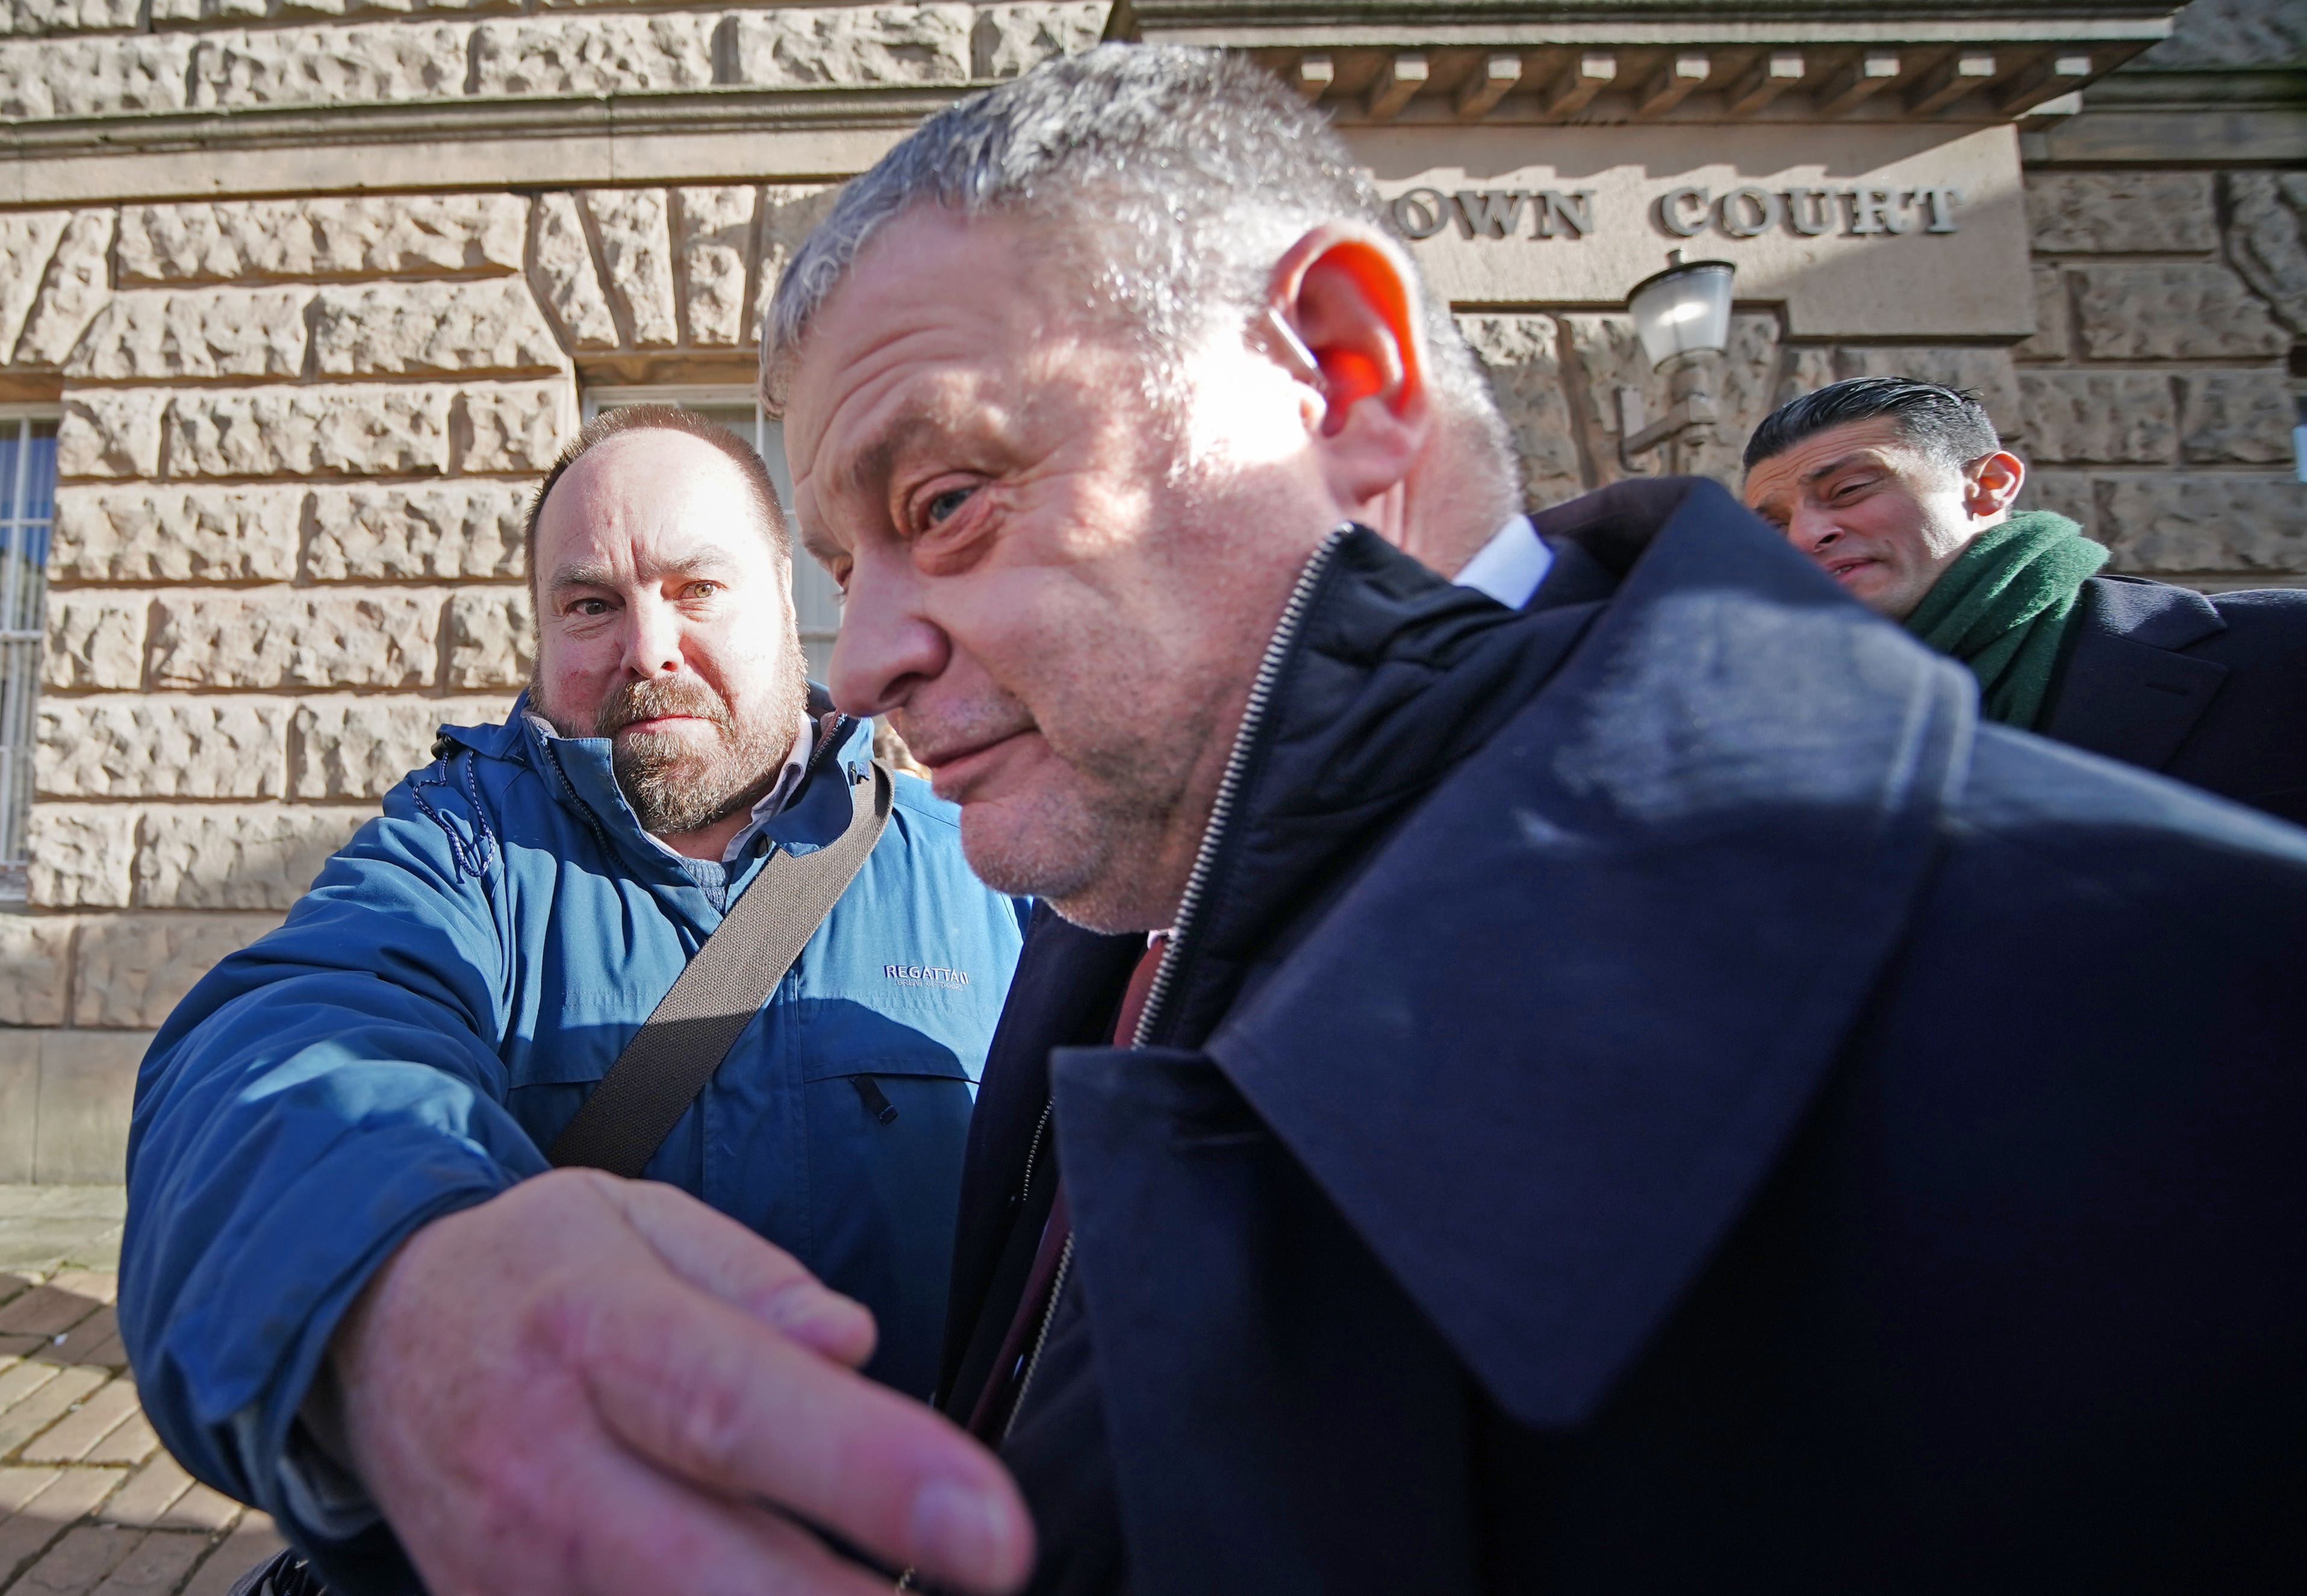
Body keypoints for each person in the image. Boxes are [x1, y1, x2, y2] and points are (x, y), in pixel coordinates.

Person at [760, 43, 2305, 1594]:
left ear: (1337, 377)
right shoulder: (1111, 928)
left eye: (945, 498)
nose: (870, 653)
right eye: (839, 570)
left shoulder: (2195, 1020)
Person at [119, 405, 1032, 1593]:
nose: (646, 645)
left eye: (695, 586)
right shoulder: (458, 848)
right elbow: (288, 1041)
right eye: (590, 602)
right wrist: (388, 1287)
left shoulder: (989, 868)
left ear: (783, 594)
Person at [1742, 377, 2307, 823]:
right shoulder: (1760, 742)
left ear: (1989, 487)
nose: (1805, 536)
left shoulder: (2282, 654)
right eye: (1775, 525)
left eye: (1847, 491)